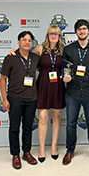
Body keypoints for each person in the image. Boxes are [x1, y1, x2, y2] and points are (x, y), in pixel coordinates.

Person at [9, 26, 65, 163]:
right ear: (47, 35)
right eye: (51, 33)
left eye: (56, 34)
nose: (53, 36)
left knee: (57, 117)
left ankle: (53, 147)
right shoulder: (40, 48)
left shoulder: (64, 50)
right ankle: (41, 149)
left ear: (59, 36)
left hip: (57, 85)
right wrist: (13, 52)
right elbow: (26, 57)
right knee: (43, 117)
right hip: (43, 85)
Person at [62, 19, 89, 165]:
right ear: (76, 32)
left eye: (84, 28)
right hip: (72, 92)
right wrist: (66, 75)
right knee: (71, 124)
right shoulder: (68, 49)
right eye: (79, 29)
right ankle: (70, 151)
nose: (82, 31)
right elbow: (66, 67)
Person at [0, 31, 40, 169]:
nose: (27, 42)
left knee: (28, 127)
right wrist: (4, 100)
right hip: (15, 98)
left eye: (30, 40)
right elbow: (2, 79)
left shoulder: (35, 58)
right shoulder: (10, 57)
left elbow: (48, 50)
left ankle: (26, 152)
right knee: (14, 128)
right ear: (18, 42)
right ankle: (15, 155)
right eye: (24, 40)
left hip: (31, 98)